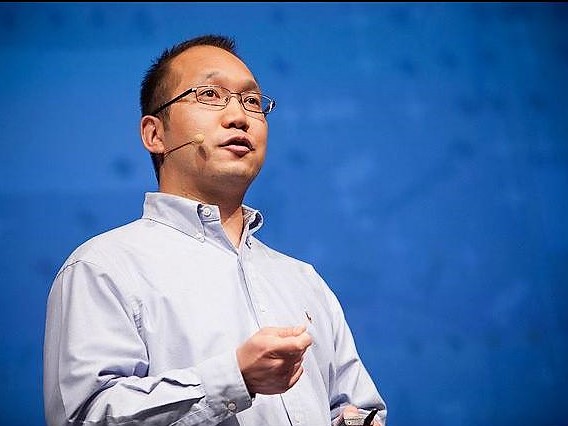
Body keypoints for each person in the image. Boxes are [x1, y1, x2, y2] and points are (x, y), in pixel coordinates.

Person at [43, 34, 387, 426]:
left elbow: (356, 407)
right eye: (209, 95)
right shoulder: (103, 268)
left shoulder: (304, 282)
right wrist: (233, 380)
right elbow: (86, 416)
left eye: (252, 102)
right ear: (155, 134)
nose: (238, 116)